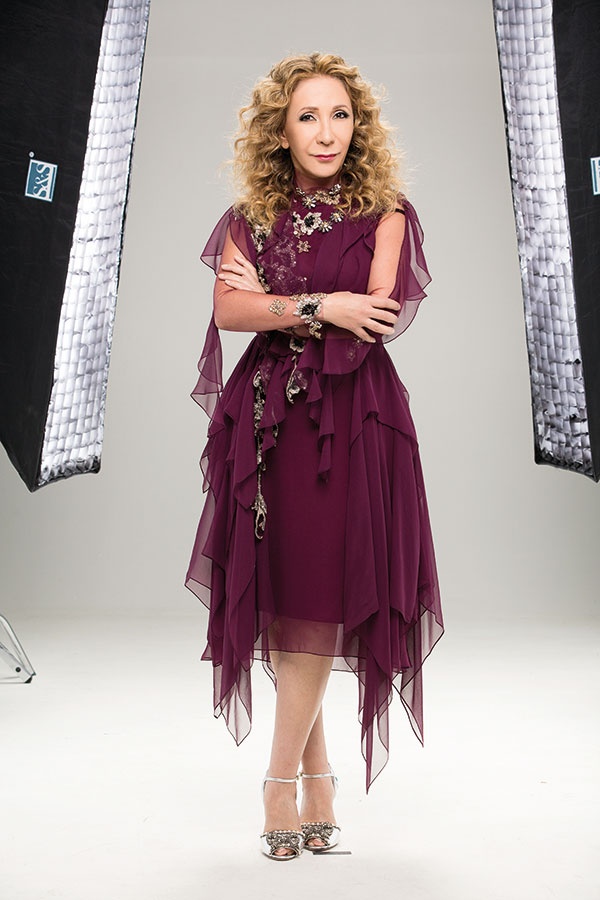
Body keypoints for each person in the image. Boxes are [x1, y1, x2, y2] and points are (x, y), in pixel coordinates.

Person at [185, 52, 444, 860]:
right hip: (270, 422)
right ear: (281, 132)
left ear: (358, 127)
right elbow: (230, 312)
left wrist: (288, 302)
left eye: (340, 115)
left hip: (354, 417)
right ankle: (319, 777)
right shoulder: (248, 215)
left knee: (322, 592)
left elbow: (376, 314)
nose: (326, 132)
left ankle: (278, 784)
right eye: (307, 117)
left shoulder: (387, 213)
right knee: (297, 593)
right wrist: (320, 302)